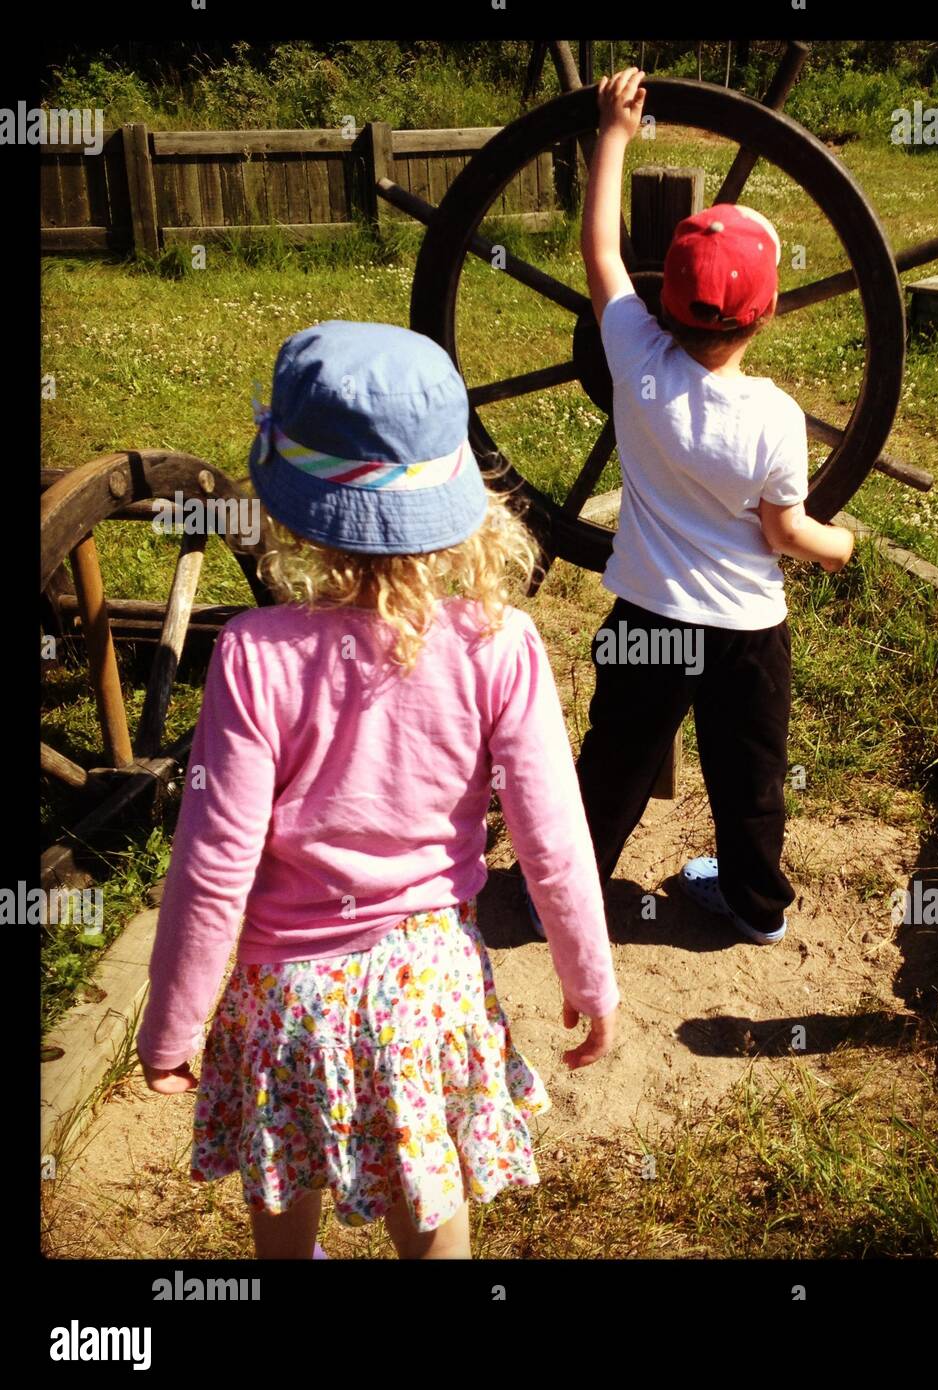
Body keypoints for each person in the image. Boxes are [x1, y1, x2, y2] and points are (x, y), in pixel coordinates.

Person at [135, 320, 619, 1259]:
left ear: (287, 504)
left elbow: (212, 863)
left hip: (288, 996)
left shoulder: (253, 656)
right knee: (430, 1204)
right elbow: (553, 835)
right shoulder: (501, 646)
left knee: (283, 1195)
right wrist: (588, 978)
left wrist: (173, 1020)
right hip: (428, 991)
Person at [575, 67, 857, 945]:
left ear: (665, 300)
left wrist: (614, 136)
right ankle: (755, 907)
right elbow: (784, 531)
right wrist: (838, 546)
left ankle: (574, 886)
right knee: (750, 775)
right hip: (744, 635)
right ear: (765, 315)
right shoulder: (773, 416)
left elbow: (600, 254)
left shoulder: (633, 359)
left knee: (615, 760)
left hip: (649, 614)